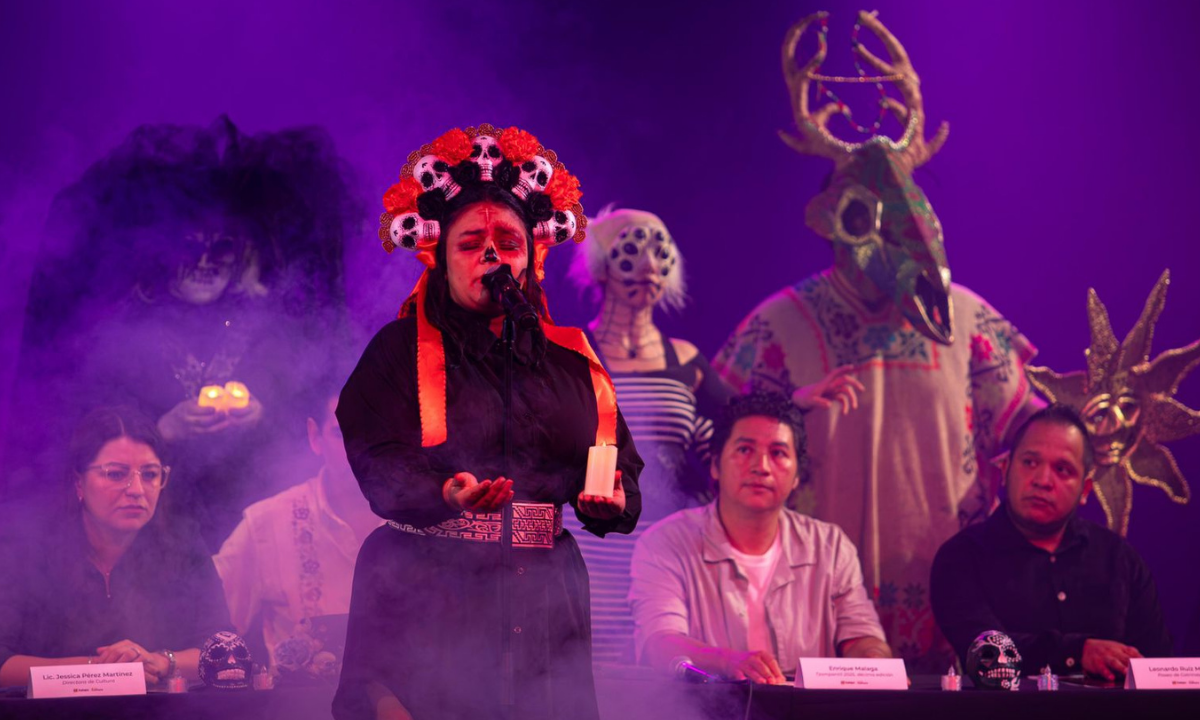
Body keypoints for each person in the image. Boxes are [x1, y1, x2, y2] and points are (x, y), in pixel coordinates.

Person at [712, 10, 1040, 668]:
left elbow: (1029, 436)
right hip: (808, 593)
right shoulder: (778, 324)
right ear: (833, 219)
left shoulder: (966, 318)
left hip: (952, 593)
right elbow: (714, 442)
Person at [332, 125, 642, 720]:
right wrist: (445, 491)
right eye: (471, 243)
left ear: (532, 257)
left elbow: (616, 462)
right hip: (426, 588)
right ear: (440, 258)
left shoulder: (570, 361)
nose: (492, 256)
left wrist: (612, 499)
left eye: (508, 242)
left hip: (545, 592)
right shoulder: (399, 351)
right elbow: (377, 458)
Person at [630, 392, 888, 684]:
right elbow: (659, 643)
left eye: (778, 453)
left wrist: (875, 662)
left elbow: (861, 636)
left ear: (797, 476)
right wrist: (727, 661)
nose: (761, 466)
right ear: (715, 465)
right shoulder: (665, 543)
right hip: (706, 707)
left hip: (805, 708)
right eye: (744, 450)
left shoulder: (830, 547)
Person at [930, 405, 1172, 680]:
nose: (1043, 480)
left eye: (1062, 469)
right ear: (1005, 470)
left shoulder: (1119, 560)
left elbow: (1158, 669)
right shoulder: (962, 557)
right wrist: (1077, 652)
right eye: (1030, 463)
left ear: (1085, 490)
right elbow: (986, 657)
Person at [0, 406, 231, 688]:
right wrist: (101, 671)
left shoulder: (182, 543)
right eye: (116, 474)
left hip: (158, 710)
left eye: (150, 475)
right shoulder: (28, 546)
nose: (136, 490)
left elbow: (226, 651)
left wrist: (161, 662)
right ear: (78, 482)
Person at [214, 381, 382, 673]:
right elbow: (204, 622)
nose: (360, 449)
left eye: (376, 432)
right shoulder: (267, 523)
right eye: (342, 433)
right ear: (315, 437)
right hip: (301, 700)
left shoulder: (420, 521)